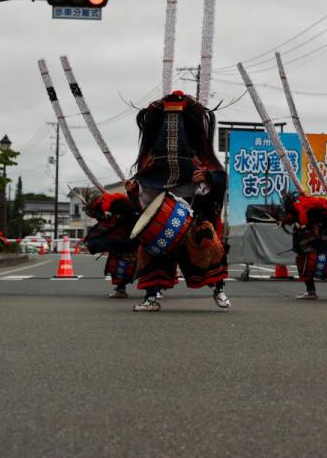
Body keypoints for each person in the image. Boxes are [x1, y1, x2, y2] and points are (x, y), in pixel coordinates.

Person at [130, 91, 230, 312]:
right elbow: (144, 194)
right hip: (162, 211)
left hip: (193, 208)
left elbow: (221, 177)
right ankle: (151, 297)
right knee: (150, 249)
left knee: (208, 243)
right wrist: (134, 191)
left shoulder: (201, 156)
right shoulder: (150, 159)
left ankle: (219, 289)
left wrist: (208, 177)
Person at [83, 188, 141, 298]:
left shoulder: (111, 205)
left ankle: (153, 291)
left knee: (145, 265)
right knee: (119, 266)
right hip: (124, 239)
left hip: (130, 238)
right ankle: (121, 289)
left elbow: (108, 225)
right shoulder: (108, 205)